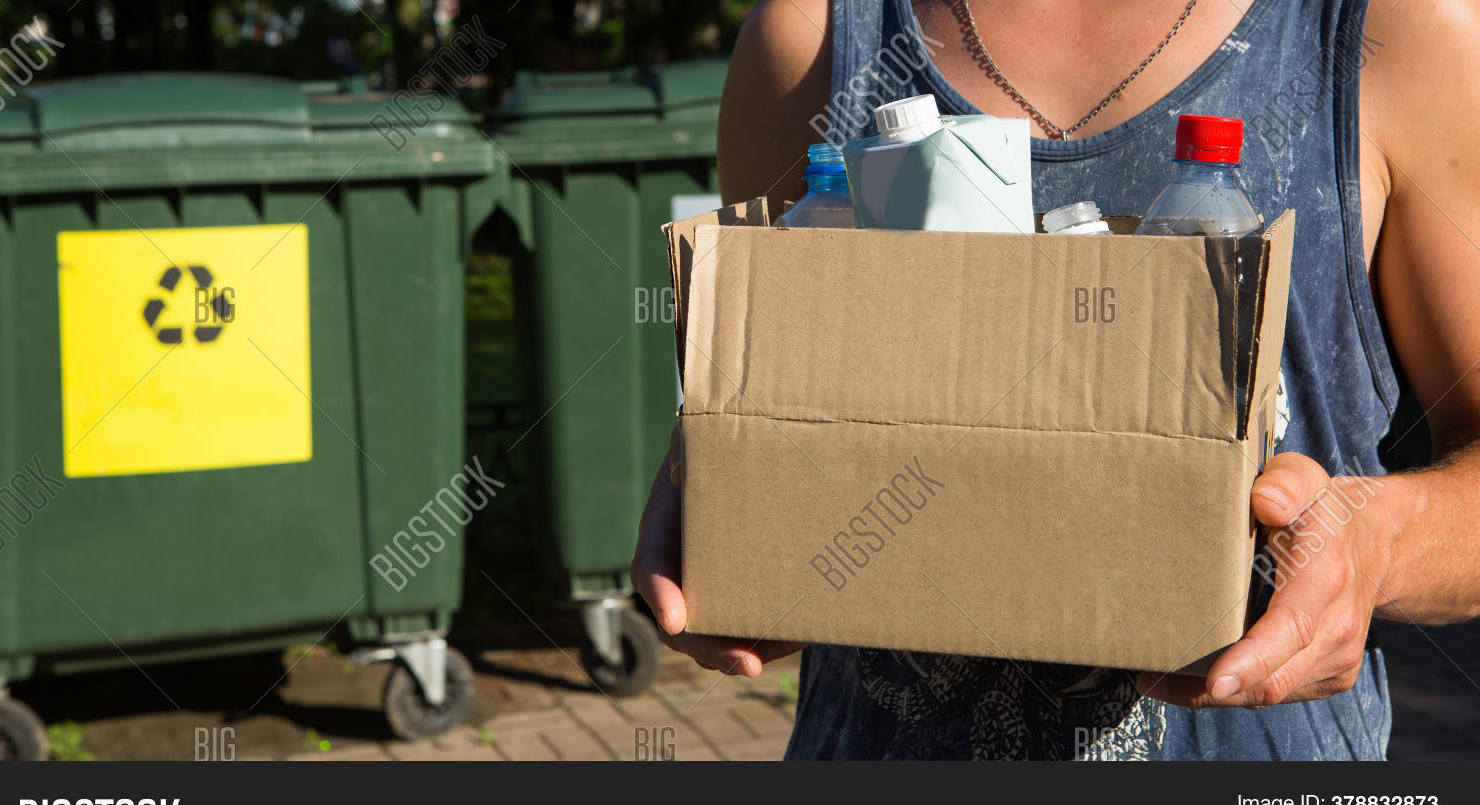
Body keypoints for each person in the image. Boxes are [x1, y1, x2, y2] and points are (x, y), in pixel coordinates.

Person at [632, 0, 1480, 759]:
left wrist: (1374, 547)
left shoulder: (1391, 31)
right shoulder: (813, 39)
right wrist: (711, 490)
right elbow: (767, 393)